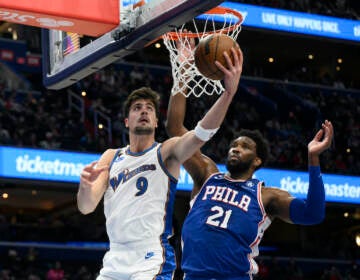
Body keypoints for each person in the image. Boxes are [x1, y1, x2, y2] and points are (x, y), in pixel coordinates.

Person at [165, 44, 334, 280]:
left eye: (244, 147)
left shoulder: (267, 196)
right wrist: (182, 75)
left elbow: (313, 213)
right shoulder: (207, 173)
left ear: (257, 161)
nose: (235, 148)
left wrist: (313, 159)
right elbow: (175, 129)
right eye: (234, 144)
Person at [77, 44, 243, 279]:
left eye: (149, 109)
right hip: (114, 258)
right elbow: (86, 206)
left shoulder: (166, 152)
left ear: (156, 121)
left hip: (150, 258)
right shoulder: (111, 156)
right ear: (127, 121)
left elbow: (200, 134)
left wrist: (228, 94)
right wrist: (85, 186)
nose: (143, 111)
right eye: (137, 108)